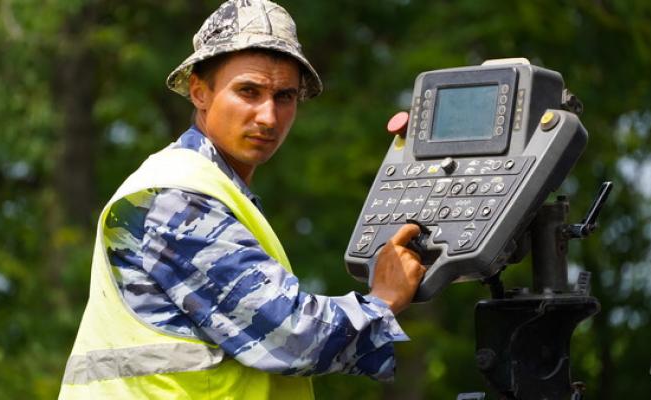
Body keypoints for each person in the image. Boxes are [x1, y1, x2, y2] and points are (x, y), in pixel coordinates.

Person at [59, 1, 425, 399]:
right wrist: (383, 299)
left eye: (284, 96)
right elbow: (290, 334)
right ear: (199, 91)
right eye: (248, 92)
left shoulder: (218, 191)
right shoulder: (174, 196)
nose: (268, 117)